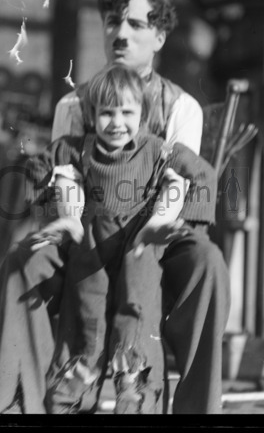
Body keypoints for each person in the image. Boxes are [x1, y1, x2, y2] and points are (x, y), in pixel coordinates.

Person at [0, 0, 230, 414]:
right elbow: (61, 176)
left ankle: (196, 410)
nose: (122, 34)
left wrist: (158, 226)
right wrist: (64, 220)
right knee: (21, 261)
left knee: (208, 262)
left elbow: (181, 181)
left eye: (137, 25)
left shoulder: (181, 107)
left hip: (154, 236)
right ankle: (24, 404)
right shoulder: (74, 105)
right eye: (113, 22)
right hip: (87, 231)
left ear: (159, 37)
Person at [28, 64, 217, 414]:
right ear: (93, 116)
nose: (117, 122)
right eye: (107, 113)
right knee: (86, 314)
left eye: (127, 112)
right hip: (92, 245)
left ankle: (134, 394)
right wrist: (60, 209)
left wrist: (178, 220)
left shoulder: (157, 150)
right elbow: (40, 165)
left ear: (142, 114)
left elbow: (202, 173)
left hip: (139, 244)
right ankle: (72, 395)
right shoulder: (78, 148)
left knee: (137, 310)